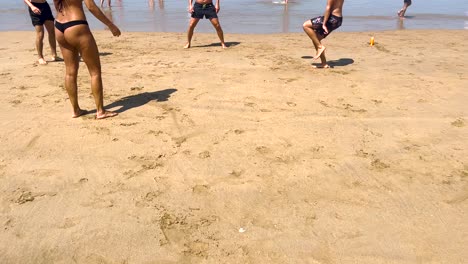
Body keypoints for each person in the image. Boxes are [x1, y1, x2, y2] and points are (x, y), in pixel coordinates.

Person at [53, 0, 121, 119]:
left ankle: (75, 110)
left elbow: (57, 6)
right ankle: (100, 111)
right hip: (76, 25)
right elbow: (91, 6)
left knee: (70, 72)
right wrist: (111, 25)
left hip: (59, 26)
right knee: (95, 72)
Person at [302, 0, 344, 69]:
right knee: (316, 38)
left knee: (306, 25)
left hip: (332, 18)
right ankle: (324, 63)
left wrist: (324, 24)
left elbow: (328, 8)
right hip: (338, 20)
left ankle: (320, 47)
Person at [24, 0, 59, 65]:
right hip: (35, 7)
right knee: (40, 34)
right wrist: (32, 7)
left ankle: (54, 55)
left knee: (52, 32)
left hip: (45, 6)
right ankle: (40, 57)